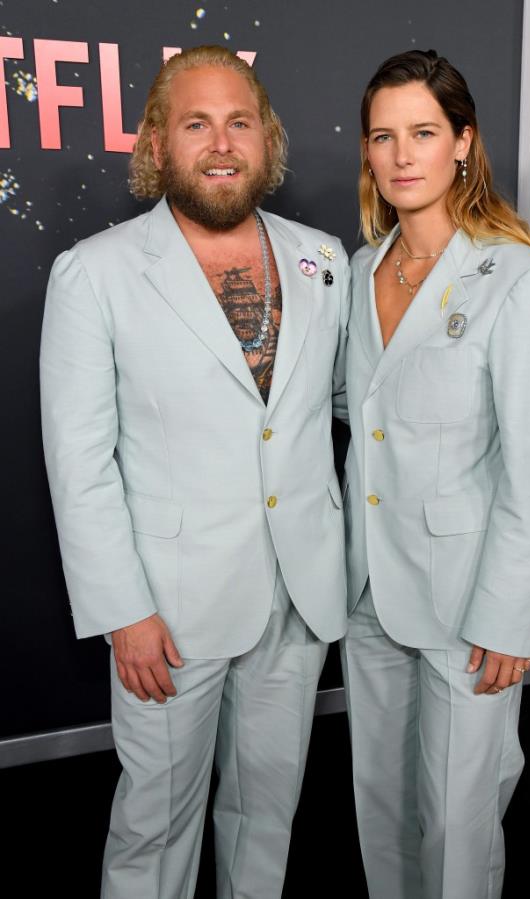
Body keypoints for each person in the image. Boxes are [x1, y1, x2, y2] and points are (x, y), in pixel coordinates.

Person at [40, 45, 349, 899]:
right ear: (157, 142)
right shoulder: (94, 275)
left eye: (240, 122)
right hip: (166, 612)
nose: (222, 143)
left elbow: (351, 405)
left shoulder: (325, 258)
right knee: (156, 823)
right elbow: (79, 460)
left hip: (296, 595)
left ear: (266, 137)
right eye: (198, 123)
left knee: (266, 813)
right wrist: (123, 610)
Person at [341, 49, 530, 899]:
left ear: (464, 144)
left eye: (425, 133)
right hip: (370, 589)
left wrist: (512, 616)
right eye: (384, 136)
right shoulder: (359, 271)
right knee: (383, 809)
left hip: (469, 603)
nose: (403, 155)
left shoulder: (518, 280)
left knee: (456, 823)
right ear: (367, 153)